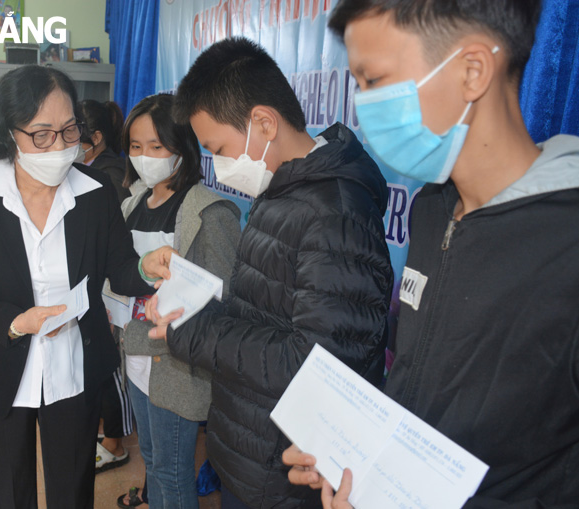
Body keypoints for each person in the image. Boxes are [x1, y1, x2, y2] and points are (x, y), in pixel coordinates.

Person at [283, 1, 579, 507]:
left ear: (472, 71)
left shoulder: (568, 241)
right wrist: (360, 461)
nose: (362, 106)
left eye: (375, 81)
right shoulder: (431, 210)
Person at [143, 37, 393, 508]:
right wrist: (193, 305)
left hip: (287, 476)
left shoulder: (334, 213)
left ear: (263, 122)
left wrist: (194, 334)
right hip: (251, 451)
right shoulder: (281, 192)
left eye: (219, 147)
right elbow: (265, 315)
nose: (218, 165)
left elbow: (316, 366)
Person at [0, 65, 152, 509]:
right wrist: (15, 321)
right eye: (42, 134)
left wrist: (150, 267)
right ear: (8, 133)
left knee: (72, 490)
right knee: (7, 492)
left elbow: (122, 268)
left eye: (70, 130)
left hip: (74, 366)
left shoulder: (96, 191)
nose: (59, 146)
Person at [115, 93, 241, 509]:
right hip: (135, 351)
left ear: (184, 148)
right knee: (152, 461)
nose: (144, 156)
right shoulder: (133, 202)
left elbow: (227, 295)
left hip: (178, 363)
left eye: (157, 146)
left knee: (172, 468)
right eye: (136, 146)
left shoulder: (210, 211)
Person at [75, 99, 133, 475]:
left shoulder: (106, 175)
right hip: (96, 286)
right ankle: (107, 432)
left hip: (110, 287)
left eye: (72, 137)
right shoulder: (92, 168)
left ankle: (115, 440)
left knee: (109, 367)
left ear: (95, 138)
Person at [76, 99, 131, 204]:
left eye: (76, 139)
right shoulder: (83, 167)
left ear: (96, 138)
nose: (69, 145)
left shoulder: (112, 174)